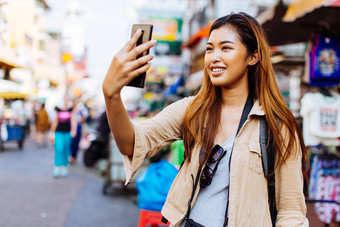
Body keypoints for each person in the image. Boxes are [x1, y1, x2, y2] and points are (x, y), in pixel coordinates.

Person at [102, 12, 309, 226]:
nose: (214, 57)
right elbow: (131, 144)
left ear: (253, 56)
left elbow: (291, 211)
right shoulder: (192, 110)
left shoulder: (277, 125)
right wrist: (111, 94)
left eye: (226, 48)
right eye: (210, 49)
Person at [49, 96, 76, 177]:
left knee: (66, 149)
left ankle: (64, 166)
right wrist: (51, 132)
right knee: (59, 148)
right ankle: (57, 166)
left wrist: (73, 130)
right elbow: (55, 121)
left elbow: (73, 120)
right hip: (59, 132)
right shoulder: (58, 110)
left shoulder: (70, 110)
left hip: (67, 133)